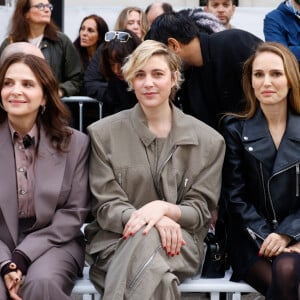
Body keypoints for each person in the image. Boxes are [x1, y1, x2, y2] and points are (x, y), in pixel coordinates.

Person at [85, 40, 225, 299]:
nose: (148, 83)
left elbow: (200, 210)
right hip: (115, 241)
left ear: (174, 78)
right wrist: (155, 217)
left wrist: (166, 209)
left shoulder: (209, 141)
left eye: (157, 74)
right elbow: (106, 207)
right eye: (140, 75)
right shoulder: (103, 134)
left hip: (180, 243)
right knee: (162, 281)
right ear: (130, 80)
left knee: (148, 242)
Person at [0, 53, 90, 299]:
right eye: (8, 83)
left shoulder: (75, 144)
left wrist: (22, 255)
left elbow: (74, 214)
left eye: (27, 84)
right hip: (1, 242)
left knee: (42, 283)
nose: (15, 91)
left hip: (56, 241)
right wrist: (6, 262)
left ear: (45, 97)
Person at [220, 42, 300, 299]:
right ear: (251, 82)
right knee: (287, 274)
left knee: (287, 268)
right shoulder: (235, 130)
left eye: (276, 74)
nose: (266, 82)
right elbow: (235, 198)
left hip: (297, 234)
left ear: (290, 79)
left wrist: (288, 235)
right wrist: (271, 237)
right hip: (251, 239)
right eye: (259, 74)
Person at [146, 12, 262, 130]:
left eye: (161, 55)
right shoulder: (184, 77)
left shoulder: (234, 43)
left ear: (173, 45)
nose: (161, 64)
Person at [0, 0, 83, 97]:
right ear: (26, 13)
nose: (47, 10)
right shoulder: (10, 43)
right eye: (40, 6)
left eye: (49, 6)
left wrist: (59, 91)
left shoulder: (61, 41)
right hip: (19, 103)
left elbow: (77, 78)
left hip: (51, 107)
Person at [84, 29, 141, 117]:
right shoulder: (113, 85)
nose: (116, 70)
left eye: (122, 63)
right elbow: (90, 83)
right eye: (111, 64)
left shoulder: (145, 83)